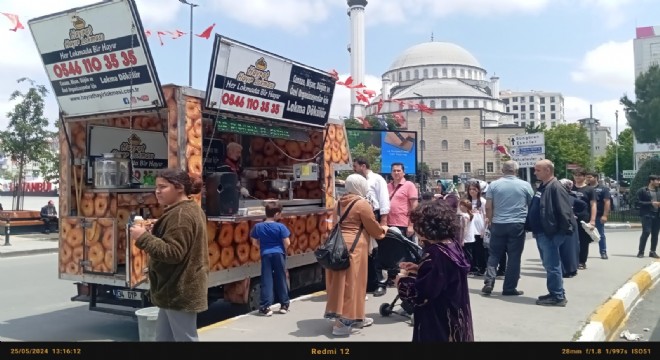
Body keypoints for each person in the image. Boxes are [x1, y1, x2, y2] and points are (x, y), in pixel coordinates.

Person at [129, 169, 208, 341]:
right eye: (156, 187)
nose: (157, 191)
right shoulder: (185, 210)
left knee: (185, 339)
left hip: (179, 289)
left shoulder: (181, 215)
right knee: (164, 339)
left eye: (163, 187)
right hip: (172, 289)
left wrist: (143, 238)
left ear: (179, 188)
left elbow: (173, 253)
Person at [396, 200, 474, 342]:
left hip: (439, 318)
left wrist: (402, 281)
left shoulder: (436, 254)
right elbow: (444, 275)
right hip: (455, 312)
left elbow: (422, 295)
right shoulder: (451, 244)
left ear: (426, 227)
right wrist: (418, 268)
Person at [324, 174, 387, 336]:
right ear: (360, 185)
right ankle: (343, 323)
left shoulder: (339, 202)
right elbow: (373, 228)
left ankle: (356, 317)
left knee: (341, 283)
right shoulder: (362, 204)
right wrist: (383, 230)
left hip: (338, 246)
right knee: (353, 284)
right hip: (355, 248)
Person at [483, 160, 534, 296]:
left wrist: (490, 221)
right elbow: (532, 204)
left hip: (498, 223)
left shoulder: (493, 185)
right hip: (517, 224)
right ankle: (509, 288)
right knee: (514, 256)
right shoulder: (525, 185)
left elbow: (488, 206)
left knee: (494, 254)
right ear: (516, 171)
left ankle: (489, 281)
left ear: (502, 170)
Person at [528, 160, 574, 307]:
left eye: (538, 170)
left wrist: (560, 232)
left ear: (548, 170)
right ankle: (556, 291)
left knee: (552, 265)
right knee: (550, 265)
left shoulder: (555, 187)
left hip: (550, 234)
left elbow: (564, 211)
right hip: (542, 232)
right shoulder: (544, 186)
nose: (535, 173)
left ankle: (558, 297)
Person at [378, 162, 418, 297]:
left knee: (405, 254)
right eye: (394, 171)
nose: (396, 173)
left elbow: (414, 207)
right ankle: (391, 278)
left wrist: (411, 224)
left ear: (403, 172)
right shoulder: (387, 186)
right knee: (389, 253)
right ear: (390, 172)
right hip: (388, 224)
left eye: (398, 171)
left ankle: (407, 279)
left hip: (403, 224)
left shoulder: (409, 186)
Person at [352, 157, 390, 293]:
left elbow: (384, 199)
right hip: (362, 215)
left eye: (355, 166)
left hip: (375, 214)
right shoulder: (358, 181)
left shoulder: (377, 179)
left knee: (378, 250)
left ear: (363, 166)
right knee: (366, 249)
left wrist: (383, 220)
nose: (354, 169)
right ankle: (368, 282)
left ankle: (381, 283)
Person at [250, 201, 291, 316]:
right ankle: (284, 304)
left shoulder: (258, 226)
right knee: (281, 277)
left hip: (265, 254)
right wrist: (282, 249)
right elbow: (287, 243)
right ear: (276, 214)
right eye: (280, 213)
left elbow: (254, 242)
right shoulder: (281, 227)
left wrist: (262, 247)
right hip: (279, 254)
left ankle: (265, 307)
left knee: (267, 279)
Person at [557, 179, 585, 278]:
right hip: (572, 223)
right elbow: (583, 205)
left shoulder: (562, 197)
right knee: (573, 247)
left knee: (566, 249)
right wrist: (576, 214)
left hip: (565, 224)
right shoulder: (571, 196)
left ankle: (567, 270)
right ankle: (573, 269)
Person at [571, 168, 597, 269]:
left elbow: (593, 205)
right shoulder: (570, 188)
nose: (577, 177)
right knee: (571, 240)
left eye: (580, 175)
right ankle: (573, 260)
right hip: (571, 217)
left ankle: (582, 261)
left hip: (584, 218)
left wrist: (593, 220)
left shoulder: (590, 190)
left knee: (583, 241)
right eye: (575, 175)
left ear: (584, 176)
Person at [586, 171, 611, 259]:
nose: (587, 179)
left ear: (596, 177)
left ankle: (603, 252)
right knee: (584, 236)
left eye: (590, 177)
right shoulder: (586, 188)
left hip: (599, 215)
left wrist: (605, 215)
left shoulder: (603, 188)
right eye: (587, 177)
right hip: (586, 215)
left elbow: (607, 202)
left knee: (600, 234)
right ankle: (582, 254)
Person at [636, 175, 660, 258]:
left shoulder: (659, 191)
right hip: (646, 214)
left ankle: (652, 251)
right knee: (646, 232)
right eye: (657, 180)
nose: (659, 182)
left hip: (657, 215)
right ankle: (641, 251)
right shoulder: (642, 191)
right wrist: (651, 203)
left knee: (655, 234)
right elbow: (637, 202)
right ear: (651, 181)